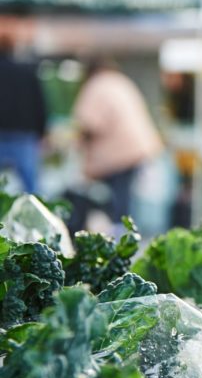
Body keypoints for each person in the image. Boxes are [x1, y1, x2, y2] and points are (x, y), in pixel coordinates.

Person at [68, 58, 163, 234]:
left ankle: (119, 238)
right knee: (124, 196)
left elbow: (90, 124)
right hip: (137, 148)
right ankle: (125, 236)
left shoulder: (97, 86)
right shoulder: (120, 81)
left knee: (116, 200)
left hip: (118, 153)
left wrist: (77, 143)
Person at [0, 35, 48, 193]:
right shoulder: (26, 71)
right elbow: (39, 103)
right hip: (24, 135)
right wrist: (42, 131)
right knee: (31, 188)